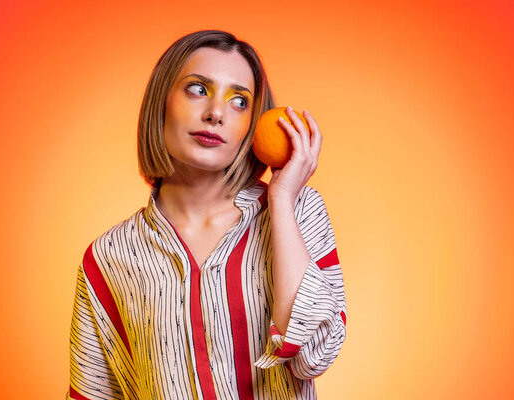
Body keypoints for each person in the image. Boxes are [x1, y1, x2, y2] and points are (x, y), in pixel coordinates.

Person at [66, 29, 346, 400]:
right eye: (198, 89)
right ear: (161, 102)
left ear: (253, 123)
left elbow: (313, 356)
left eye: (239, 101)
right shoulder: (107, 258)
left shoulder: (298, 210)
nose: (216, 113)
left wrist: (280, 200)